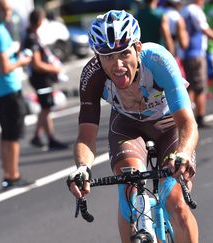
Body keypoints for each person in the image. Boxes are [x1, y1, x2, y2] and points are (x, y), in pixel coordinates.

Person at [67, 10, 199, 242]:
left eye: (123, 53)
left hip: (169, 125)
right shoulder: (92, 75)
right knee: (129, 187)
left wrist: (185, 154)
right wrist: (82, 168)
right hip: (128, 126)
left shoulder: (158, 60)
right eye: (107, 56)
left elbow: (187, 122)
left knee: (176, 202)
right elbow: (86, 135)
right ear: (97, 56)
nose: (116, 65)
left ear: (137, 48)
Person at [0, 0, 32, 189]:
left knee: (6, 134)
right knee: (13, 135)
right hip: (8, 89)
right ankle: (13, 175)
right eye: (5, 10)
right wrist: (22, 61)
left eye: (9, 10)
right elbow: (4, 67)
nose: (8, 14)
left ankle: (8, 174)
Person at [181, 0, 213, 127]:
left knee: (191, 87)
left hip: (186, 53)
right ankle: (198, 118)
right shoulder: (195, 10)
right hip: (196, 52)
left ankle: (188, 118)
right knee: (200, 88)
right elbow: (205, 29)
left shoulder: (183, 10)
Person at [23, 8, 68, 150]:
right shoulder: (31, 38)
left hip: (41, 78)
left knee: (46, 107)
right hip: (40, 78)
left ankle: (48, 137)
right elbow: (36, 64)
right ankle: (40, 135)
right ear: (39, 21)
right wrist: (54, 69)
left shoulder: (31, 36)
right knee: (46, 107)